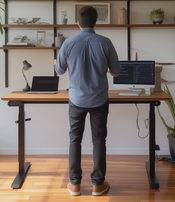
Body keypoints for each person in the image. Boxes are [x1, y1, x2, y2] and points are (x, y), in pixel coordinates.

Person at [55, 6, 121, 196]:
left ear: (78, 23)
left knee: (74, 139)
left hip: (76, 99)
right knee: (99, 140)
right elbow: (116, 72)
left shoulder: (68, 43)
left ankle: (75, 184)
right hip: (99, 99)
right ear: (95, 23)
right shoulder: (106, 42)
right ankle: (97, 185)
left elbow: (59, 71)